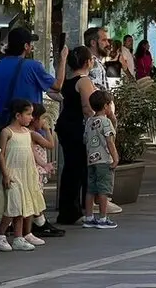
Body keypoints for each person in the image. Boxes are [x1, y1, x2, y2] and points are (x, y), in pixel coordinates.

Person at [0, 99, 46, 252]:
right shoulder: (7, 132)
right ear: (18, 115)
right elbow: (0, 155)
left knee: (22, 207)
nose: (31, 118)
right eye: (28, 114)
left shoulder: (27, 133)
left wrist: (38, 168)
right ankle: (0, 235)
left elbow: (31, 152)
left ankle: (19, 237)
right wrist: (5, 174)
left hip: (26, 174)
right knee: (13, 206)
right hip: (13, 174)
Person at [55, 46, 97, 226]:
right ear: (87, 62)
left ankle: (69, 209)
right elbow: (88, 107)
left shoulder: (67, 79)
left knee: (71, 168)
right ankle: (73, 209)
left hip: (65, 124)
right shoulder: (84, 81)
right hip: (77, 127)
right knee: (78, 169)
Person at [0, 28, 66, 129]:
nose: (32, 46)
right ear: (26, 46)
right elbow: (58, 86)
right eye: (30, 43)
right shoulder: (33, 66)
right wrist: (63, 58)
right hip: (29, 128)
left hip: (3, 125)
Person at [83, 90, 119, 229]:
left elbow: (85, 139)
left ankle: (89, 217)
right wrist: (115, 157)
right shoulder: (106, 122)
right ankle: (103, 218)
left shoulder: (89, 121)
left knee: (91, 189)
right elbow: (109, 141)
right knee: (103, 189)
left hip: (91, 159)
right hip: (104, 160)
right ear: (106, 106)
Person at [27, 103, 58, 240]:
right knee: (37, 197)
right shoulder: (34, 134)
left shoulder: (29, 133)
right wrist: (48, 129)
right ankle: (40, 222)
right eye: (42, 119)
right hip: (37, 171)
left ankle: (40, 221)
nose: (43, 122)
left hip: (38, 169)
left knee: (37, 196)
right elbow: (51, 145)